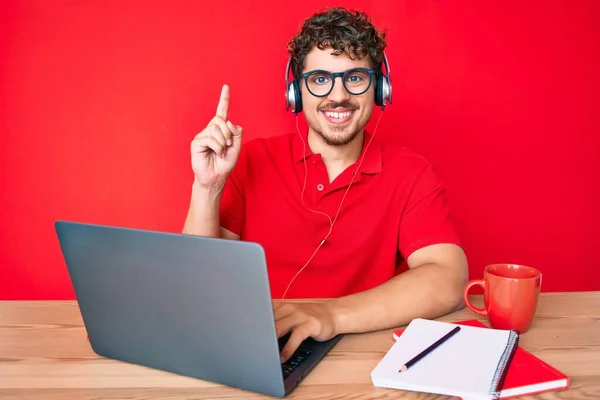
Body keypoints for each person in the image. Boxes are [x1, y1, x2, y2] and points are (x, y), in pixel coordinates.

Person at [183, 7, 468, 362]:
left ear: (379, 88)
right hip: (261, 347)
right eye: (320, 79)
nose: (338, 96)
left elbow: (448, 279)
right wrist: (207, 187)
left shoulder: (411, 173)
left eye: (355, 78)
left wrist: (329, 316)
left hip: (362, 354)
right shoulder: (252, 161)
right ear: (296, 92)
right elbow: (196, 280)